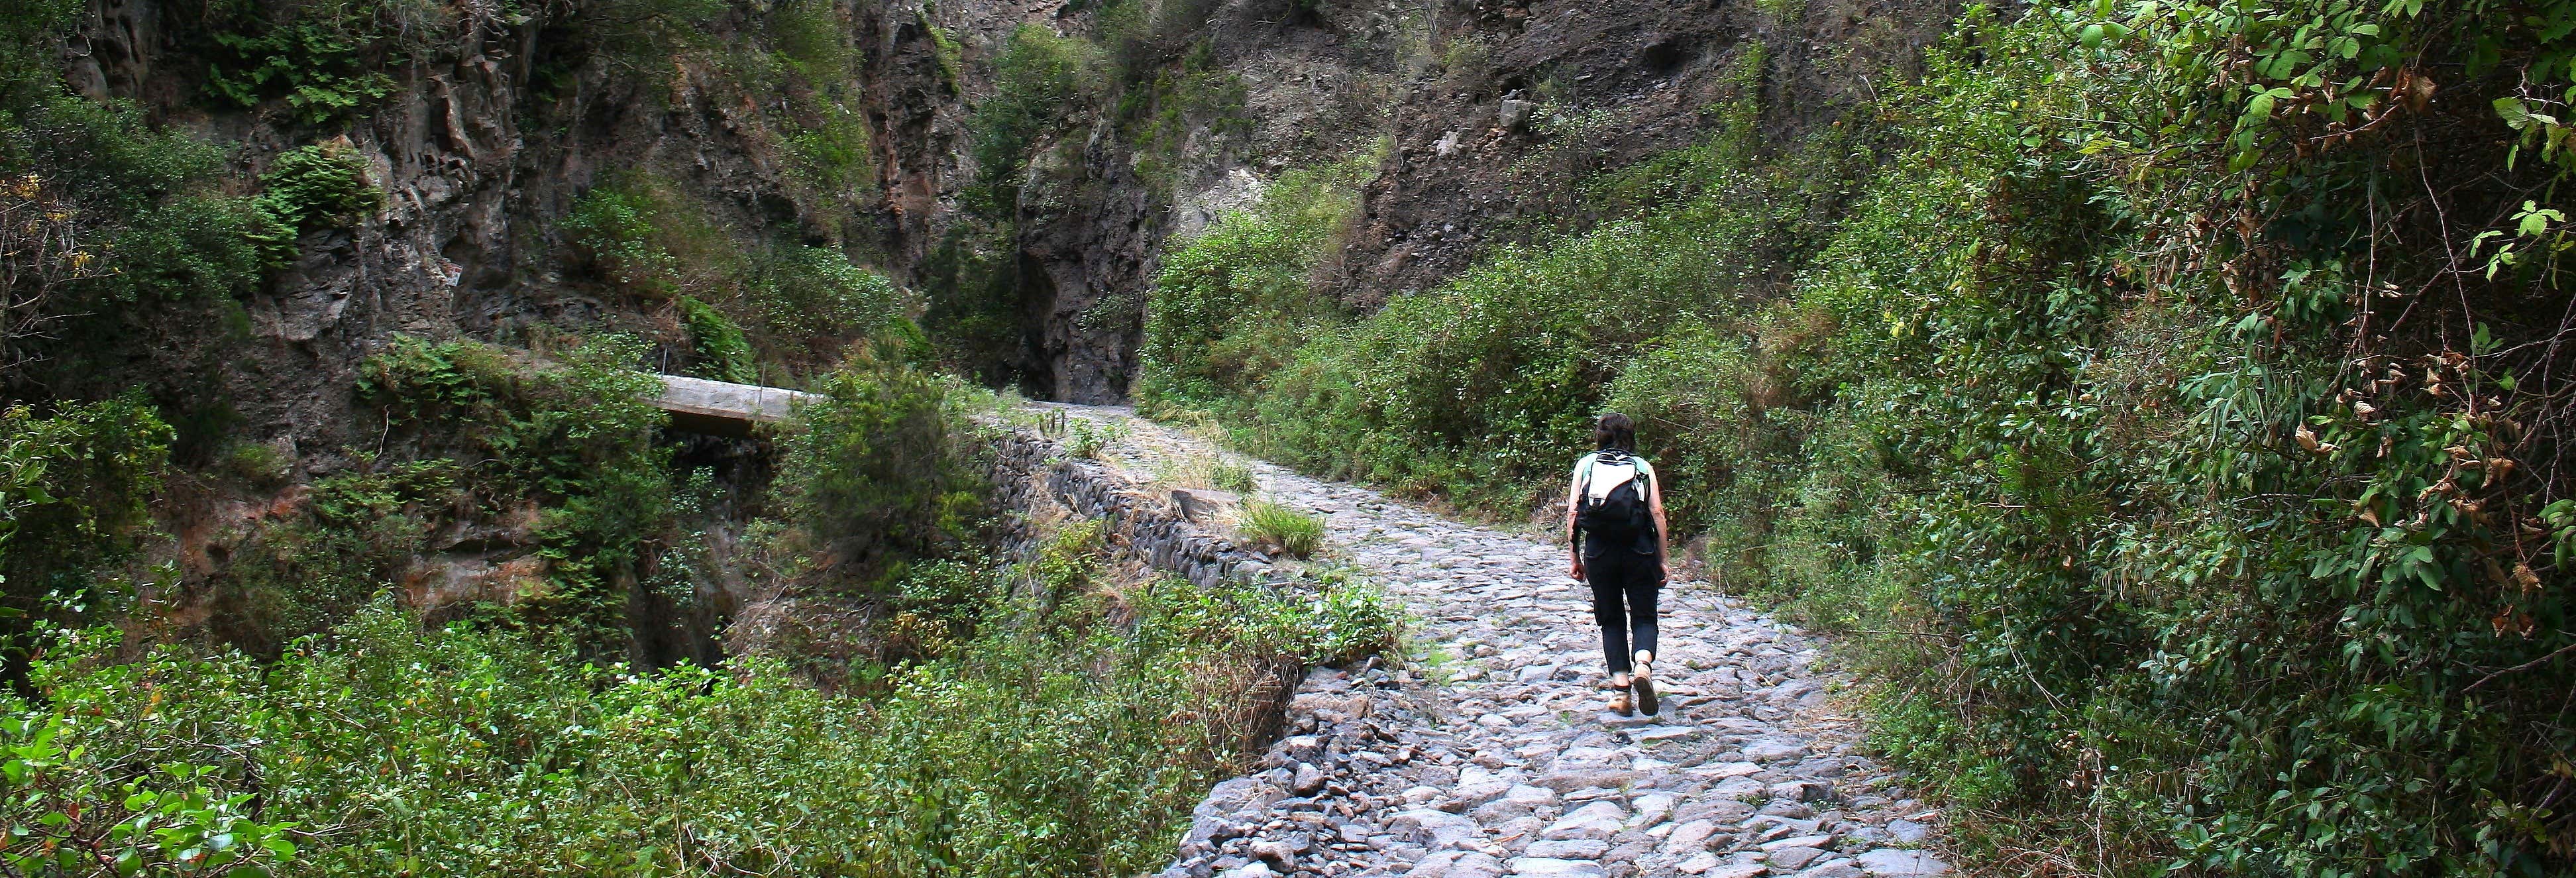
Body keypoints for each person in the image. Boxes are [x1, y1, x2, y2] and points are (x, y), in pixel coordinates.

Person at [1564, 412, 1670, 716]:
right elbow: (1657, 513)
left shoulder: (1587, 465)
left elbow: (1574, 513)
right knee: (1645, 616)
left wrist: (1574, 556)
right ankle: (1643, 664)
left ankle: (1622, 693)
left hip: (1599, 551)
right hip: (1640, 550)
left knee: (1610, 619)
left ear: (1600, 436)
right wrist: (1663, 558)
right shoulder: (1642, 466)